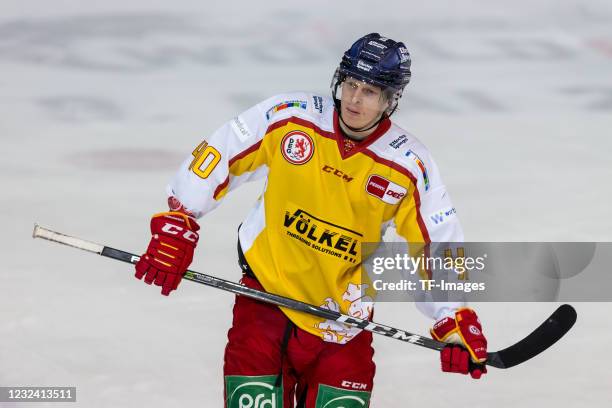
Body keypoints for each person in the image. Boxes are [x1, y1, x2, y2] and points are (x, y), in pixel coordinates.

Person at [134, 33, 488, 407]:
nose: (353, 99)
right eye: (350, 84)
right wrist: (180, 218)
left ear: (390, 99)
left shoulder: (409, 164)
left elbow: (437, 243)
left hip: (345, 328)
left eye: (369, 91)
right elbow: (221, 153)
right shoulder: (291, 117)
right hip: (264, 306)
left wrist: (452, 317)